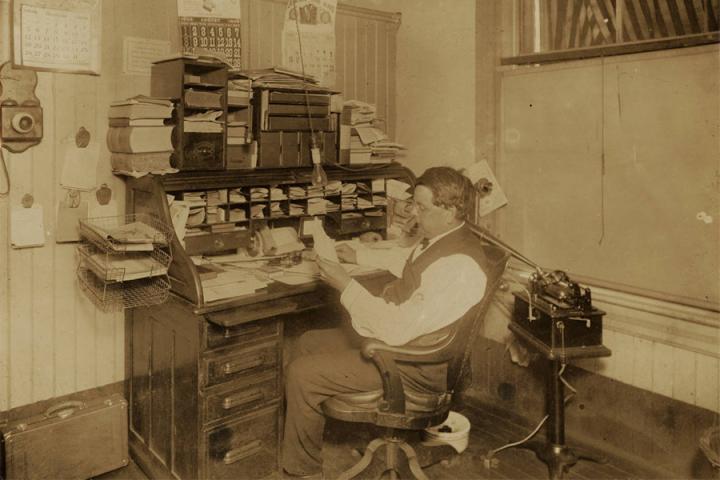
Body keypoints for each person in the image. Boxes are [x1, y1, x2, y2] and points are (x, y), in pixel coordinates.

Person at [281, 167, 491, 479]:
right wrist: (360, 255)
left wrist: (345, 285)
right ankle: (310, 442)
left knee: (302, 374)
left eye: (422, 208)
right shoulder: (442, 240)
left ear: (450, 211)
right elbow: (413, 266)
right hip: (403, 345)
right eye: (413, 205)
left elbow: (395, 329)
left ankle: (303, 472)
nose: (414, 216)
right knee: (307, 342)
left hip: (414, 368)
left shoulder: (460, 267)